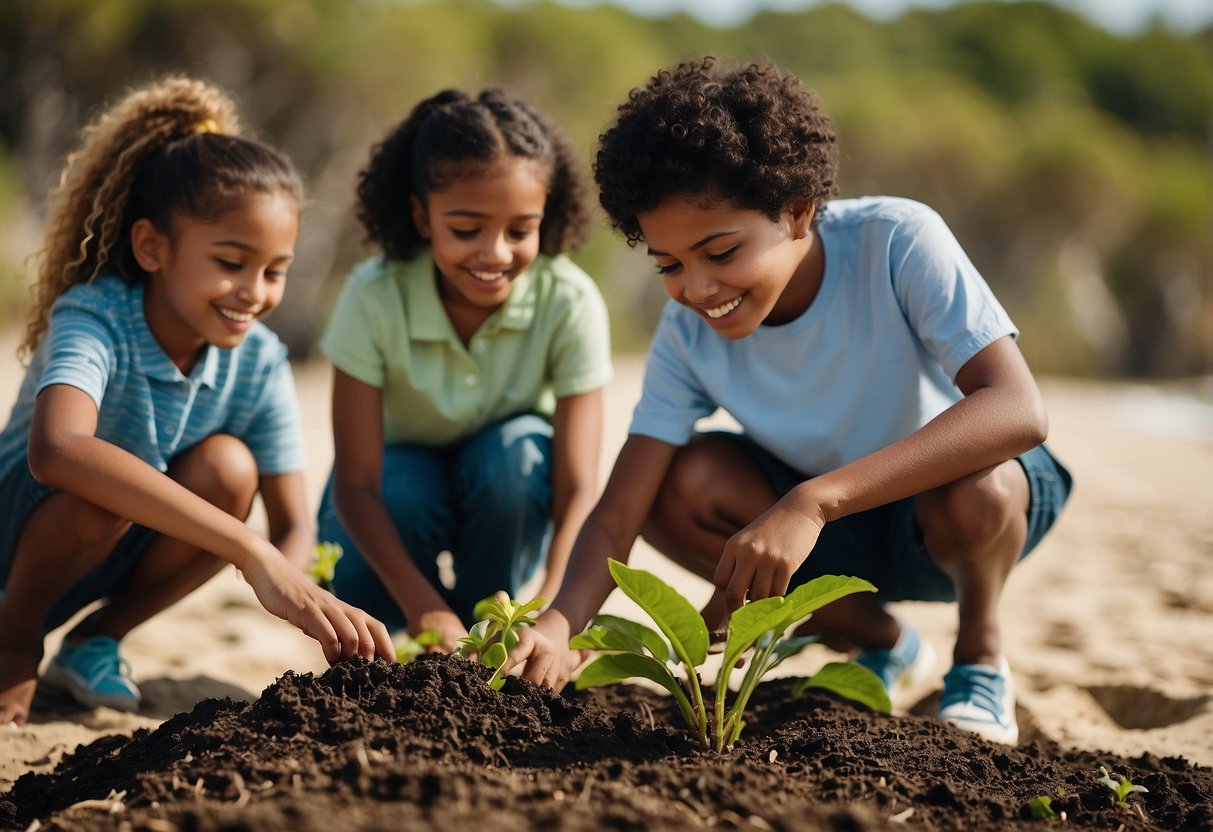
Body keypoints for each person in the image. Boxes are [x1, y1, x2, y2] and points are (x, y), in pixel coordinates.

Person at [505, 57, 1072, 746]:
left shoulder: (895, 241)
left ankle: (979, 658)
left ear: (798, 209)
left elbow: (1018, 408)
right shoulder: (687, 333)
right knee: (672, 484)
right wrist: (560, 624)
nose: (697, 287)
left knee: (976, 488)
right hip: (824, 537)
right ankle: (883, 643)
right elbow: (617, 514)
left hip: (955, 517)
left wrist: (814, 501)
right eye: (669, 265)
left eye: (720, 251)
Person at [0, 77, 396, 727]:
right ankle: (14, 639)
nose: (254, 292)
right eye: (231, 262)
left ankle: (94, 641)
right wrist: (252, 552)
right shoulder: (95, 316)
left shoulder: (260, 359)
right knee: (105, 478)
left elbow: (292, 522)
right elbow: (58, 451)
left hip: (106, 558)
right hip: (20, 544)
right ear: (152, 247)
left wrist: (301, 597)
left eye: (275, 270)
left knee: (229, 467)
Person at [316, 88, 612, 653]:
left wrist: (554, 611)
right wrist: (426, 609)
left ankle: (487, 630)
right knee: (403, 481)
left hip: (502, 505)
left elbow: (577, 489)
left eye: (520, 231)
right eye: (467, 228)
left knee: (518, 451)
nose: (495, 253)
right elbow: (355, 487)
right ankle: (422, 626)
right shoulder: (374, 295)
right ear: (421, 217)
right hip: (384, 523)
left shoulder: (568, 299)